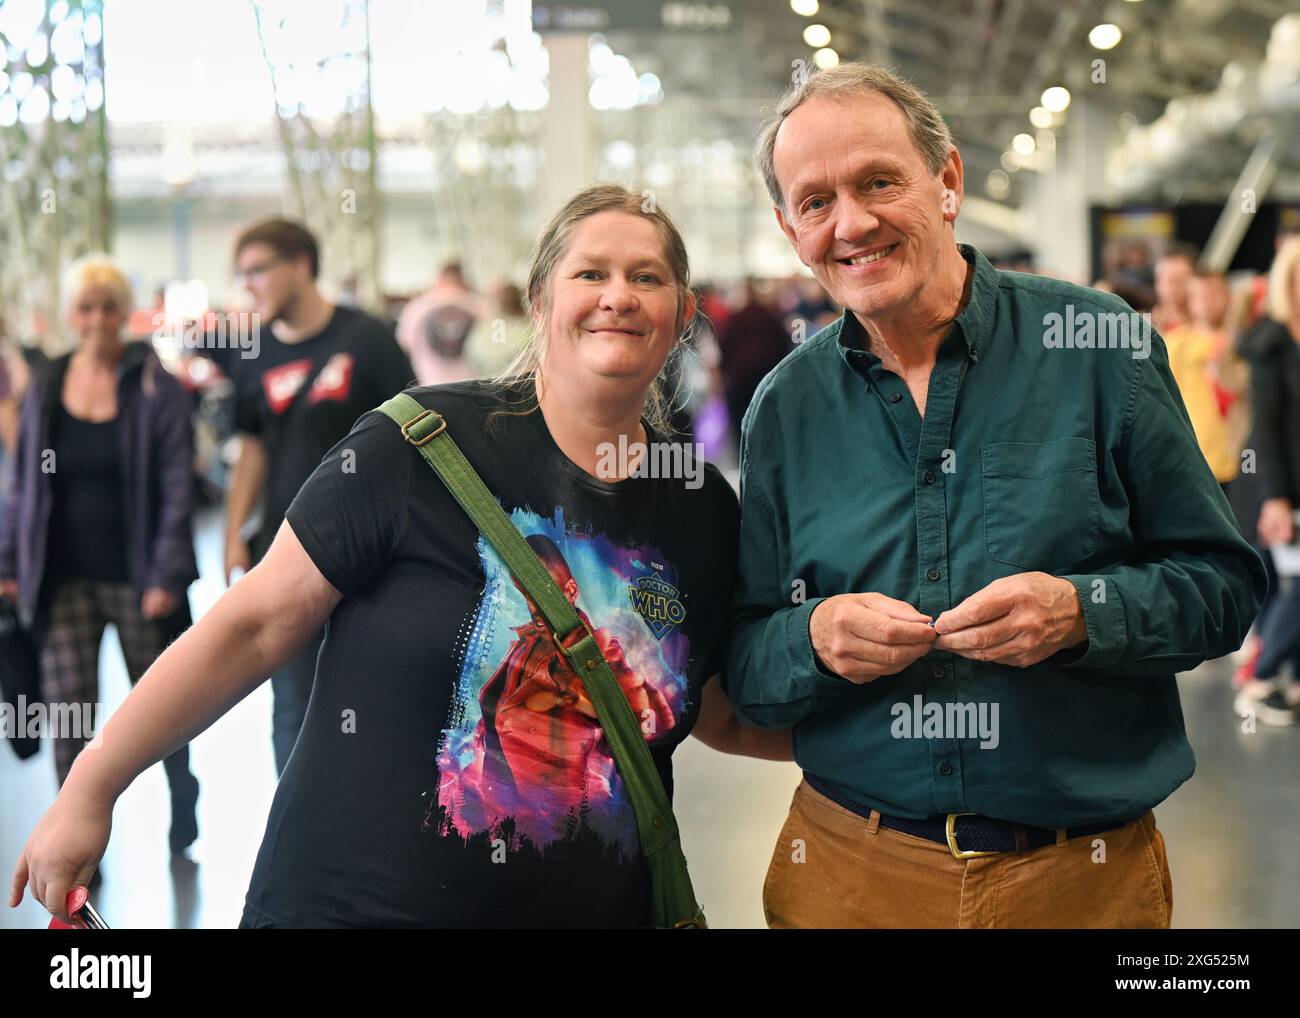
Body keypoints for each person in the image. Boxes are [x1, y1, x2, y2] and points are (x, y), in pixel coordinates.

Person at [11, 184, 790, 929]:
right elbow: (254, 625)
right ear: (540, 301)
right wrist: (94, 783)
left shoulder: (700, 508)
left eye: (645, 277)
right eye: (591, 273)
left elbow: (707, 702)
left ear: (682, 314)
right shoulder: (416, 445)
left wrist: (878, 758)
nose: (617, 294)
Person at [726, 63, 1266, 929]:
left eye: (878, 182)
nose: (852, 223)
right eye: (817, 201)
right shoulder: (786, 410)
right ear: (793, 231)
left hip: (1080, 880)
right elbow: (747, 661)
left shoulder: (1098, 349)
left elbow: (1223, 588)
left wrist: (1081, 610)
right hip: (850, 874)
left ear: (947, 183)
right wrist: (813, 637)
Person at [0, 256, 201, 853]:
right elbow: (23, 485)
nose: (97, 319)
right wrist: (9, 563)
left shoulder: (153, 385)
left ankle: (181, 789)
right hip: (62, 581)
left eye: (109, 306)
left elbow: (176, 486)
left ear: (124, 313)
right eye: (86, 308)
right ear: (70, 315)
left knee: (161, 712)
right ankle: (76, 845)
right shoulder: (48, 382)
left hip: (140, 581)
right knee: (69, 718)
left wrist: (166, 572)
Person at [224, 219, 413, 775]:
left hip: (372, 550)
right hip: (285, 550)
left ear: (302, 264)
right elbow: (251, 448)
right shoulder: (252, 354)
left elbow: (411, 432)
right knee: (294, 703)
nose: (249, 284)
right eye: (241, 275)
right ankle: (298, 836)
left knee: (377, 695)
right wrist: (234, 532)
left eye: (258, 270)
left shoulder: (367, 337)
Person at [1230, 236, 1300, 726]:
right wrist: (1275, 497)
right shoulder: (1271, 340)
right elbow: (1268, 426)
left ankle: (1289, 684)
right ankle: (1260, 677)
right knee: (1291, 587)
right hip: (1275, 485)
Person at [1163, 270, 1240, 488]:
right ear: (1190, 300)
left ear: (1228, 295)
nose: (1207, 302)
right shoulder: (1175, 344)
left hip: (1240, 459)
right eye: (1199, 296)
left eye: (1214, 294)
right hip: (1195, 460)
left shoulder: (1242, 342)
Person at [397, 261, 483, 386]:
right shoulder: (478, 306)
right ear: (462, 278)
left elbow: (404, 343)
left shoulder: (417, 307)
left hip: (430, 388)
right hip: (471, 389)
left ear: (440, 277)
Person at [1151, 245, 1197, 335]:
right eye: (1166, 280)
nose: (1172, 288)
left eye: (1180, 280)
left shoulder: (1207, 330)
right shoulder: (1141, 326)